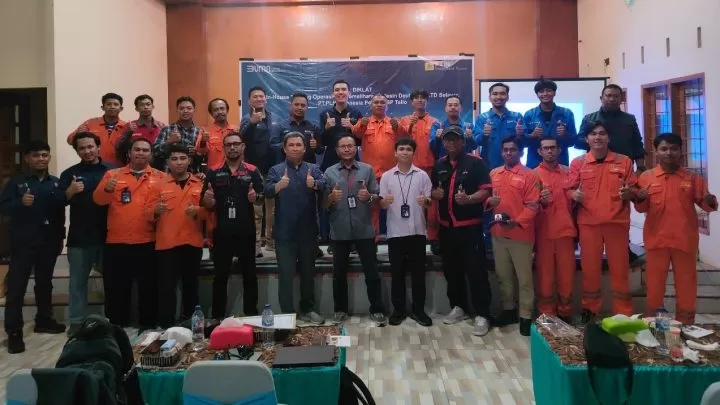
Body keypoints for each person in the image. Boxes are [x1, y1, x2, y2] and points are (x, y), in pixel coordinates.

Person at [634, 133, 718, 325]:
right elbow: (641, 208)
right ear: (656, 151)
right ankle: (653, 323)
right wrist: (639, 198)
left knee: (687, 283)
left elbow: (707, 205)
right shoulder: (646, 177)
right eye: (664, 149)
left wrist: (709, 199)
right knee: (655, 284)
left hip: (684, 239)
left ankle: (686, 325)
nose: (669, 153)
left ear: (681, 151)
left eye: (674, 149)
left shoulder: (693, 177)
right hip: (656, 239)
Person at [567, 121, 637, 322]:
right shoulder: (578, 163)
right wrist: (574, 195)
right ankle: (590, 310)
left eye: (602, 133)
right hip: (588, 224)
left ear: (609, 138)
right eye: (593, 134)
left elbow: (634, 188)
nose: (598, 137)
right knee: (590, 270)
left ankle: (623, 313)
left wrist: (630, 192)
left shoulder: (624, 161)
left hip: (617, 223)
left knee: (620, 270)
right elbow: (569, 189)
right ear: (587, 139)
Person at [0, 141, 66, 353]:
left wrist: (61, 238)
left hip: (49, 241)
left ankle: (44, 319)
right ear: (27, 159)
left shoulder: (55, 183)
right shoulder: (16, 183)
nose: (41, 159)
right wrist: (20, 203)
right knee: (17, 288)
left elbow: (59, 213)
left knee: (44, 283)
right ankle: (14, 332)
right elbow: (4, 208)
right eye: (36, 155)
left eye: (45, 155)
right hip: (23, 242)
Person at [94, 136, 164, 330]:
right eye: (137, 149)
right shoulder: (113, 175)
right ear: (129, 153)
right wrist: (106, 190)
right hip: (117, 241)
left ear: (151, 154)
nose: (141, 153)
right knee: (116, 288)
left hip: (148, 240)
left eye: (145, 150)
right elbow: (98, 200)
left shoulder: (160, 177)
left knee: (148, 288)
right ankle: (117, 326)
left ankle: (148, 325)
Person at [431, 126, 493, 336]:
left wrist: (469, 199)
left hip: (470, 227)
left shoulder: (476, 163)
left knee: (476, 271)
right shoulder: (439, 164)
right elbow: (433, 190)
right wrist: (435, 193)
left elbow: (486, 190)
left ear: (462, 142)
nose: (451, 143)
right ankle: (459, 307)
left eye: (455, 139)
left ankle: (482, 314)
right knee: (452, 270)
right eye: (447, 139)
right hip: (447, 228)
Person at [577, 83, 647, 269]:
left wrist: (641, 168)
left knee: (621, 209)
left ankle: (625, 248)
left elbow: (637, 144)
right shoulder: (590, 118)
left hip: (622, 169)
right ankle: (592, 248)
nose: (612, 99)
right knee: (592, 209)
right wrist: (598, 143)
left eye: (616, 96)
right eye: (608, 95)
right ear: (601, 98)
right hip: (596, 167)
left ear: (621, 99)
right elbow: (579, 140)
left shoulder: (629, 119)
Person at [324, 134, 387, 326]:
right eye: (343, 146)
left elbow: (376, 197)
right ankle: (340, 309)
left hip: (364, 229)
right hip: (339, 229)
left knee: (372, 272)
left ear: (355, 148)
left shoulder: (367, 170)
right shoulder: (329, 172)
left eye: (350, 146)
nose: (347, 149)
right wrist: (331, 198)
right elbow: (323, 204)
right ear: (337, 150)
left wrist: (368, 197)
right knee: (338, 274)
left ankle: (377, 309)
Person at [265, 132, 326, 324]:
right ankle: (287, 314)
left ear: (305, 148)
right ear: (284, 148)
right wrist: (278, 187)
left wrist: (314, 184)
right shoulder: (276, 170)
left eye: (299, 145)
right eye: (291, 145)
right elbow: (266, 190)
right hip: (284, 233)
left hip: (308, 232)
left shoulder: (313, 169)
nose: (295, 148)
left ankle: (308, 309)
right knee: (286, 275)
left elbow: (324, 185)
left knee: (308, 274)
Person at [201, 132, 263, 318]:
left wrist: (255, 197)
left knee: (249, 276)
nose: (233, 147)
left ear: (243, 147)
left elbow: (261, 198)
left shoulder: (252, 171)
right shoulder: (213, 171)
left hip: (246, 231)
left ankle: (251, 315)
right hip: (222, 232)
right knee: (220, 276)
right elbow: (205, 202)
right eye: (229, 144)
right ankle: (217, 317)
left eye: (236, 144)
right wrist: (208, 200)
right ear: (224, 148)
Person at [145, 144, 207, 328]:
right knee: (166, 289)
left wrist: (198, 211)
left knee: (191, 287)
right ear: (167, 162)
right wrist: (155, 210)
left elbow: (209, 212)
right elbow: (146, 213)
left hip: (192, 243)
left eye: (182, 158)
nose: (178, 162)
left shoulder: (200, 184)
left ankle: (192, 326)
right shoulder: (157, 185)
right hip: (167, 244)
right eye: (174, 159)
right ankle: (167, 326)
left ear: (189, 161)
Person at [58, 132, 113, 336]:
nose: (87, 151)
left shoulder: (112, 171)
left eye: (90, 146)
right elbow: (57, 202)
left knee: (112, 282)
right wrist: (70, 191)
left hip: (110, 236)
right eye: (82, 148)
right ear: (77, 151)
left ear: (98, 147)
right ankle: (76, 322)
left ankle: (112, 320)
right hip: (80, 237)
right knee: (77, 283)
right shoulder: (69, 174)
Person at [486, 137, 540, 336]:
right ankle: (508, 311)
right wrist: (489, 202)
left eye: (513, 150)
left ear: (521, 153)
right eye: (506, 150)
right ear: (501, 152)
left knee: (524, 279)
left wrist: (516, 221)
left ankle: (525, 316)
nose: (509, 153)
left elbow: (533, 206)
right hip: (498, 234)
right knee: (503, 276)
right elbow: (486, 201)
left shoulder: (530, 176)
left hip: (521, 235)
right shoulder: (493, 174)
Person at [379, 138, 432, 327]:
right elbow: (381, 204)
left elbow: (429, 202)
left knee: (419, 274)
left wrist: (425, 202)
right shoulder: (387, 176)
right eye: (401, 149)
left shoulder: (422, 175)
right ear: (395, 153)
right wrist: (385, 202)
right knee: (397, 274)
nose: (404, 152)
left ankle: (419, 311)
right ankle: (399, 310)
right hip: (396, 233)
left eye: (408, 149)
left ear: (413, 153)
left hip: (418, 231)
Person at [533, 136, 576, 323]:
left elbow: (577, 203)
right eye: (545, 148)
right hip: (543, 234)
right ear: (539, 151)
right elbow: (527, 206)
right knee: (545, 277)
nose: (549, 151)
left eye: (553, 147)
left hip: (566, 232)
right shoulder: (533, 175)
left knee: (566, 277)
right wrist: (541, 202)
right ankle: (546, 315)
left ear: (559, 150)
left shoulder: (569, 173)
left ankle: (565, 314)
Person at [428, 95, 476, 254]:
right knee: (441, 204)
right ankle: (439, 239)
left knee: (462, 201)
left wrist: (470, 138)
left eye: (456, 105)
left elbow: (475, 145)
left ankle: (465, 239)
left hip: (465, 169)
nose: (453, 107)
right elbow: (432, 147)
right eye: (450, 105)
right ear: (445, 108)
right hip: (444, 168)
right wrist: (437, 138)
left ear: (460, 107)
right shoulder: (438, 125)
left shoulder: (468, 125)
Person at [318, 80, 363, 251]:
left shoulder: (356, 113)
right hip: (330, 161)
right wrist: (326, 128)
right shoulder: (325, 114)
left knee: (353, 200)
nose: (340, 92)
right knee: (332, 201)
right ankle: (332, 240)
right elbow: (321, 143)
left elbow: (361, 141)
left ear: (349, 93)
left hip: (352, 161)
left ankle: (353, 241)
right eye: (337, 90)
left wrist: (352, 128)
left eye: (344, 89)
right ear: (332, 94)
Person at [352, 93, 399, 237]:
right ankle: (373, 239)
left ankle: (395, 238)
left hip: (391, 173)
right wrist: (362, 125)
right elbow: (356, 133)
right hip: (370, 173)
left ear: (387, 105)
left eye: (382, 102)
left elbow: (404, 136)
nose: (379, 104)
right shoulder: (363, 122)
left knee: (393, 205)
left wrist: (398, 127)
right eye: (376, 102)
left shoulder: (394, 123)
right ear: (370, 105)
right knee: (371, 207)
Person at [241, 87, 278, 256]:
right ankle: (256, 244)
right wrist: (252, 123)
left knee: (272, 210)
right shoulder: (246, 118)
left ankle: (270, 242)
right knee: (256, 210)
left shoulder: (273, 117)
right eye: (255, 97)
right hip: (253, 170)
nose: (259, 99)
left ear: (266, 99)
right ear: (249, 101)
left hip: (271, 169)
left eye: (261, 96)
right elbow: (240, 138)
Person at [521, 79, 577, 169]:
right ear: (537, 94)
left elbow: (573, 142)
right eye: (541, 91)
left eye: (548, 91)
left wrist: (565, 134)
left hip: (560, 164)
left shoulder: (567, 113)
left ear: (554, 93)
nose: (545, 94)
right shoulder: (529, 114)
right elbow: (523, 143)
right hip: (535, 164)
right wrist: (532, 135)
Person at [473, 83, 524, 170]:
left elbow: (524, 143)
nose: (499, 97)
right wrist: (484, 135)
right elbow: (476, 142)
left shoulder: (517, 117)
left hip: (512, 166)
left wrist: (521, 135)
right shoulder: (482, 118)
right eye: (495, 94)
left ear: (507, 97)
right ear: (490, 97)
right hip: (488, 166)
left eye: (502, 94)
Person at [66, 93, 127, 165]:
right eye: (108, 104)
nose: (112, 107)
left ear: (121, 108)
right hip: (94, 166)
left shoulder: (126, 126)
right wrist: (77, 134)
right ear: (102, 107)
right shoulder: (90, 123)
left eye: (116, 104)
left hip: (118, 166)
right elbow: (70, 141)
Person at [153, 96, 205, 173]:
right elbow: (155, 151)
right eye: (181, 108)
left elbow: (205, 157)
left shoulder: (200, 132)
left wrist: (197, 153)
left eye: (189, 108)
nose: (185, 111)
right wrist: (169, 142)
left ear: (194, 110)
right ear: (177, 110)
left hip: (193, 175)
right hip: (169, 174)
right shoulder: (167, 129)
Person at [273, 92, 323, 164]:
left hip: (308, 168)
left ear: (306, 108)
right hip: (285, 167)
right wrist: (287, 144)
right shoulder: (280, 126)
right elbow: (272, 147)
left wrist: (316, 146)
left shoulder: (313, 127)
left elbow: (321, 150)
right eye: (296, 104)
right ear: (290, 106)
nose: (299, 108)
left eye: (303, 105)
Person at [116, 94, 165, 166]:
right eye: (142, 105)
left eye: (148, 104)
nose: (145, 107)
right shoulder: (129, 126)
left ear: (153, 106)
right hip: (135, 166)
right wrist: (129, 133)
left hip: (158, 166)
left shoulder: (162, 126)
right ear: (136, 108)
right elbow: (119, 148)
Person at [196, 98, 239, 171]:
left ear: (227, 110)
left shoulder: (236, 130)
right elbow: (200, 151)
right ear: (211, 113)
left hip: (235, 172)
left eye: (222, 108)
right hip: (214, 173)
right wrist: (203, 140)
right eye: (215, 110)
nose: (219, 112)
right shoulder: (205, 131)